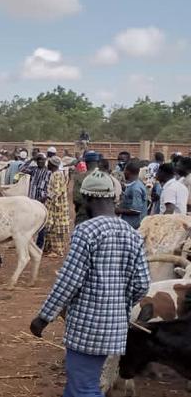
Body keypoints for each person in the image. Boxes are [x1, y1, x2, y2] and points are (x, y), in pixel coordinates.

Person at [29, 170, 150, 397]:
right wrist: (118, 302)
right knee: (79, 383)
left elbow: (69, 280)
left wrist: (43, 317)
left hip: (87, 326)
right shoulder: (132, 234)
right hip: (115, 327)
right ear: (113, 198)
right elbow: (142, 283)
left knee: (83, 387)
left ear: (87, 199)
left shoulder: (86, 231)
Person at [42, 156, 70, 256]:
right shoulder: (56, 173)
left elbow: (56, 192)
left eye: (49, 163)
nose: (47, 165)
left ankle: (57, 251)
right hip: (55, 205)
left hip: (57, 206)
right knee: (51, 227)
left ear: (52, 164)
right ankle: (51, 249)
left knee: (55, 228)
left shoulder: (56, 175)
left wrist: (46, 197)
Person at [118, 163, 148, 229]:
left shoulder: (135, 188)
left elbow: (136, 210)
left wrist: (119, 210)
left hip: (135, 225)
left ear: (128, 172)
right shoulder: (133, 185)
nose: (123, 172)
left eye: (124, 170)